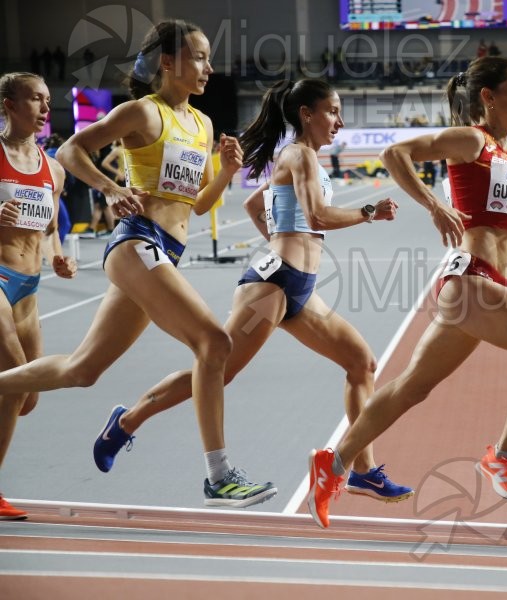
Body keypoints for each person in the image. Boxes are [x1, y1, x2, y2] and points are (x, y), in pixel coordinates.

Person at [92, 78, 413, 503]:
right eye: (332, 111)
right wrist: (368, 212)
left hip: (298, 288)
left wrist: (278, 238)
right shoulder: (298, 154)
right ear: (306, 114)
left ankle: (364, 471)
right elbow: (317, 213)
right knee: (218, 372)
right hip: (272, 287)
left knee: (361, 363)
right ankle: (128, 421)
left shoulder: (307, 159)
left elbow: (253, 204)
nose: (339, 120)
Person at [0, 20, 276, 508]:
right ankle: (219, 474)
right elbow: (70, 149)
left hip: (167, 250)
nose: (208, 67)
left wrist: (228, 172)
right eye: (198, 57)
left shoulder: (203, 124)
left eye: (209, 58)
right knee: (214, 341)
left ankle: (112, 424)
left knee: (83, 369)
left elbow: (198, 206)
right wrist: (110, 188)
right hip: (136, 243)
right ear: (167, 63)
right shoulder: (141, 114)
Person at [307, 56, 507, 528]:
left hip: (486, 283)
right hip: (470, 278)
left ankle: (333, 464)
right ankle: (504, 457)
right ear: (488, 98)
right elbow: (395, 153)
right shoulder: (471, 140)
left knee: (412, 388)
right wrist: (434, 205)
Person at [0, 72, 77, 520]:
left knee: (26, 396)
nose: (46, 109)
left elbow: (49, 227)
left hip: (28, 288)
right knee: (13, 376)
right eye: (36, 99)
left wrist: (58, 256)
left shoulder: (54, 169)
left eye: (49, 100)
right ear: (9, 104)